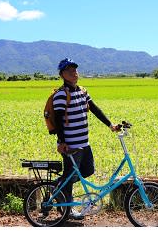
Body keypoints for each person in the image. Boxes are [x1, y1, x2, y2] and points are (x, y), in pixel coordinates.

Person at [52, 58, 119, 218]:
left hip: (84, 143)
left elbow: (94, 109)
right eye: (69, 71)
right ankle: (66, 211)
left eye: (75, 70)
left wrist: (110, 125)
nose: (74, 73)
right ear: (62, 74)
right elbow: (59, 121)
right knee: (69, 177)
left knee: (88, 170)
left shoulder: (82, 91)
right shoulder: (61, 94)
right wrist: (62, 142)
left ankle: (58, 186)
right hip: (71, 145)